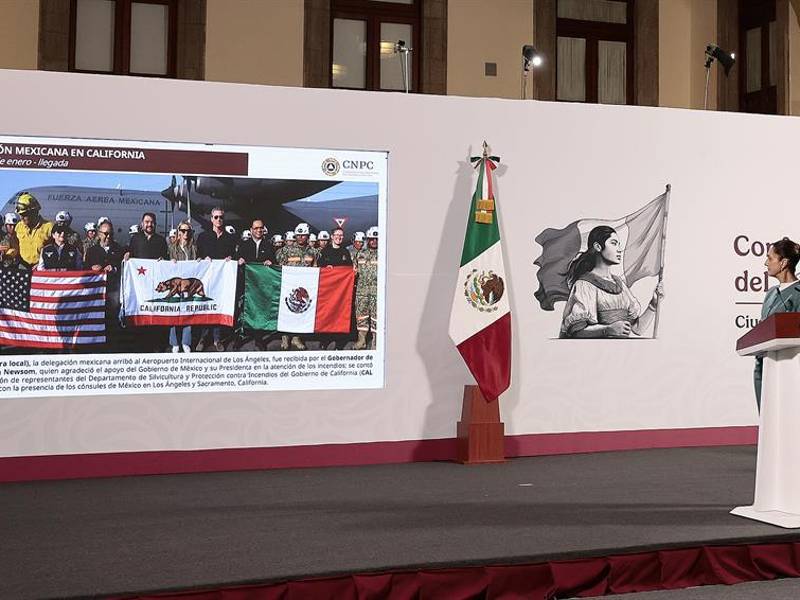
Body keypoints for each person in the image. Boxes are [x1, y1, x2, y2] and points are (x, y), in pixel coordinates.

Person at [559, 225, 662, 339]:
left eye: (618, 244)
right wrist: (607, 330)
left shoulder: (620, 284)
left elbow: (637, 329)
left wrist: (653, 304)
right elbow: (577, 332)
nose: (619, 249)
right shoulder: (584, 284)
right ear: (598, 247)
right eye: (613, 243)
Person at [753, 237, 800, 410]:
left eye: (770, 258)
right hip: (763, 366)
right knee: (767, 420)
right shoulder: (770, 293)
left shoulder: (798, 293)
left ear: (784, 262)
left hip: (787, 369)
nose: (766, 263)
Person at [196, 207, 237, 351]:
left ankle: (217, 339)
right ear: (211, 219)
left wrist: (231, 259)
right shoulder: (203, 237)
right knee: (206, 307)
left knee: (218, 307)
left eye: (221, 217)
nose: (218, 220)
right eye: (216, 217)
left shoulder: (230, 238)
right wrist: (201, 258)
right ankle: (202, 338)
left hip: (222, 280)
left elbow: (234, 257)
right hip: (207, 280)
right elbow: (197, 257)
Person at [276, 223, 317, 350]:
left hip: (304, 287)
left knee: (300, 312)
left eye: (303, 235)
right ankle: (285, 337)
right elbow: (278, 267)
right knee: (287, 311)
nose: (300, 238)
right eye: (298, 235)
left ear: (307, 236)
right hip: (289, 287)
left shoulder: (313, 252)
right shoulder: (285, 250)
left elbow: (315, 268)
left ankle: (296, 338)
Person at [86, 221, 124, 350]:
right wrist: (92, 269)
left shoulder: (118, 249)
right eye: (105, 234)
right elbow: (85, 269)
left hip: (112, 289)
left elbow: (123, 268)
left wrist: (113, 268)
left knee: (112, 316)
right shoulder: (92, 251)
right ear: (99, 234)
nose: (108, 237)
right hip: (96, 292)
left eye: (110, 234)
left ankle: (112, 344)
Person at [167, 220, 197, 353]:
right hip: (176, 285)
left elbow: (198, 265)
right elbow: (164, 264)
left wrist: (201, 261)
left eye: (188, 231)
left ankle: (186, 341)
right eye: (183, 231)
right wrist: (168, 261)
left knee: (188, 312)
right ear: (179, 232)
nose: (185, 233)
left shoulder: (194, 248)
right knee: (174, 311)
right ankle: (174, 343)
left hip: (187, 286)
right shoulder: (172, 248)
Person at [354, 226, 379, 349]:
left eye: (376, 239)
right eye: (371, 239)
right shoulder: (360, 254)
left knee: (377, 317)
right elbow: (353, 271)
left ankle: (375, 342)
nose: (374, 241)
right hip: (361, 292)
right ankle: (362, 340)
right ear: (367, 240)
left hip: (377, 292)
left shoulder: (383, 254)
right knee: (361, 315)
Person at [14, 191, 53, 267]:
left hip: (42, 269)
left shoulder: (49, 227)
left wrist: (41, 264)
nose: (21, 218)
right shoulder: (18, 227)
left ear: (34, 212)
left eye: (24, 214)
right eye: (20, 215)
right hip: (23, 268)